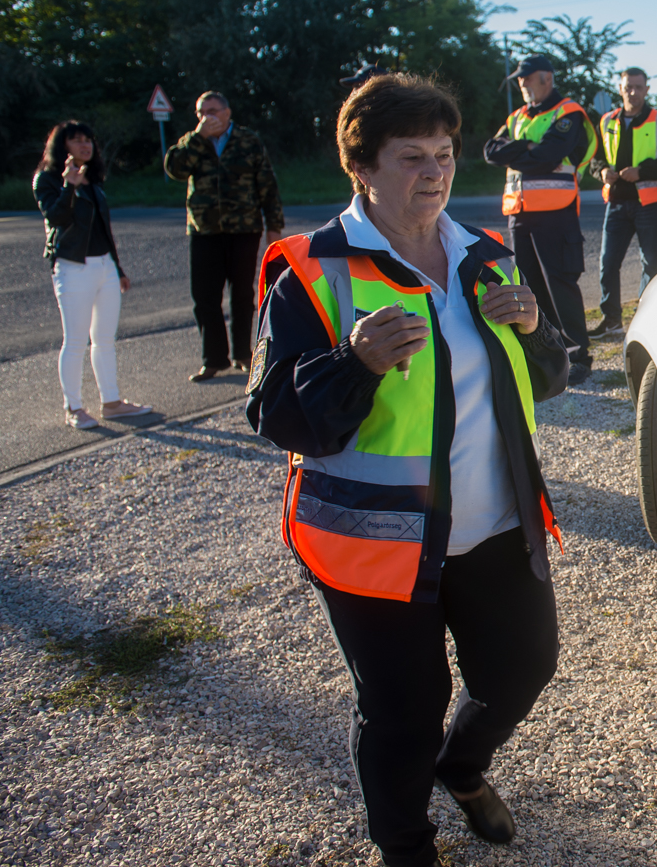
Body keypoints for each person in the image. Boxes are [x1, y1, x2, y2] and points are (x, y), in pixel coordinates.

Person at [247, 73, 569, 867]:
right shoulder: (311, 269)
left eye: (446, 153)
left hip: (496, 524)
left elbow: (553, 374)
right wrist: (353, 362)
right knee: (402, 711)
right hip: (376, 542)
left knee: (523, 667)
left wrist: (534, 330)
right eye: (411, 156)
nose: (434, 172)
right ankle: (405, 848)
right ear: (362, 166)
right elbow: (274, 414)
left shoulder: (484, 255)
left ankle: (461, 767)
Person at [483, 54, 597, 385]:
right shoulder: (517, 116)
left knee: (560, 283)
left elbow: (547, 157)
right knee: (529, 283)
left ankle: (579, 353)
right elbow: (491, 151)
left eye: (526, 78)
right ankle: (547, 350)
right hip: (520, 213)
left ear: (546, 78)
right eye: (519, 79)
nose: (521, 83)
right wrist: (528, 148)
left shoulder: (568, 113)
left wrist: (522, 152)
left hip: (555, 212)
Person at [33, 122, 152, 429]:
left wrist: (118, 267)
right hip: (73, 267)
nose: (85, 145)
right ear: (63, 147)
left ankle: (111, 402)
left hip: (104, 267)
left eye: (88, 140)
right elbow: (56, 217)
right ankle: (73, 407)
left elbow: (103, 229)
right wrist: (69, 186)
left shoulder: (94, 180)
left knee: (105, 340)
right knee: (75, 341)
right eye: (77, 141)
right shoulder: (46, 179)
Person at [164, 90, 284, 382]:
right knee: (204, 297)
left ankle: (243, 354)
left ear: (227, 113)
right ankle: (213, 359)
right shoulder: (193, 142)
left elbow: (267, 183)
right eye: (202, 112)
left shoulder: (248, 140)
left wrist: (274, 225)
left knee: (242, 295)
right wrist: (197, 137)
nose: (208, 117)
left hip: (244, 228)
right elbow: (174, 169)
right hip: (204, 229)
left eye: (213, 111)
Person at [587, 67, 657, 340]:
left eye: (639, 87)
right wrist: (600, 171)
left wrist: (641, 171)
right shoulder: (606, 121)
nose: (633, 92)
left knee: (649, 264)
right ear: (620, 88)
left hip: (648, 204)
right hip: (616, 202)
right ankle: (611, 320)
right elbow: (594, 158)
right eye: (628, 86)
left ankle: (644, 320)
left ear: (647, 90)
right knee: (607, 263)